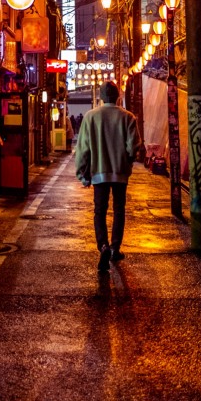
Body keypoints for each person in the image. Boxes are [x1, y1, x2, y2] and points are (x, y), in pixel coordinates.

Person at [74, 80, 142, 272]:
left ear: (101, 97)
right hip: (120, 172)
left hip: (99, 173)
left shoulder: (90, 117)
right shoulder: (128, 117)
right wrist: (127, 160)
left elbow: (83, 149)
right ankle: (115, 248)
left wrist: (82, 173)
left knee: (99, 211)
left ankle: (102, 246)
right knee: (119, 210)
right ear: (117, 96)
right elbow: (133, 146)